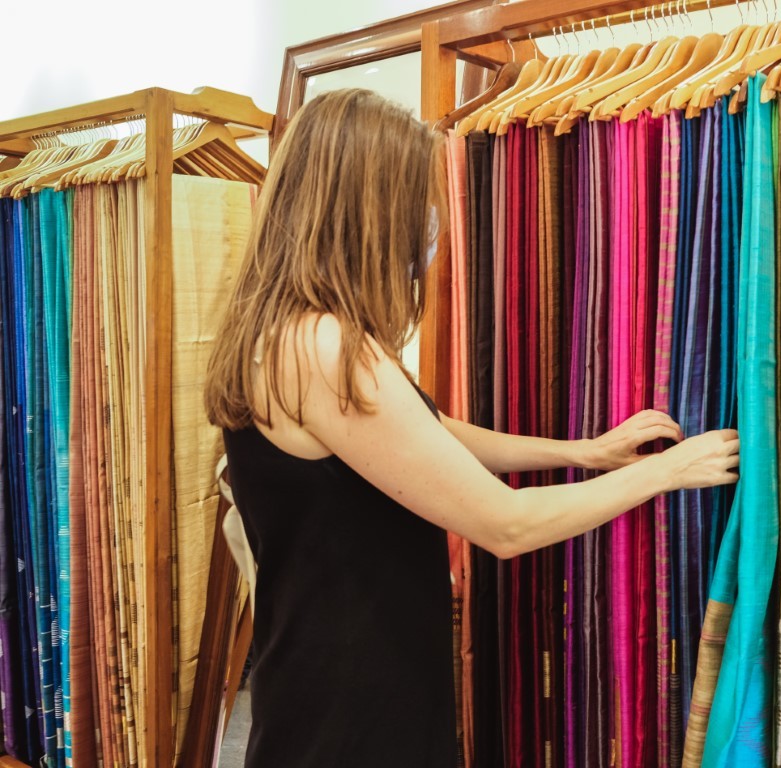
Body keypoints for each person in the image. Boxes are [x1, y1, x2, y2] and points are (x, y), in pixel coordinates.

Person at [204, 88, 740, 768]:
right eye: (414, 199)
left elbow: (427, 434)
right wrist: (664, 472)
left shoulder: (288, 329)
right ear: (369, 209)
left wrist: (583, 452)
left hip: (325, 676)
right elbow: (503, 525)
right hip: (352, 707)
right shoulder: (326, 346)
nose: (427, 222)